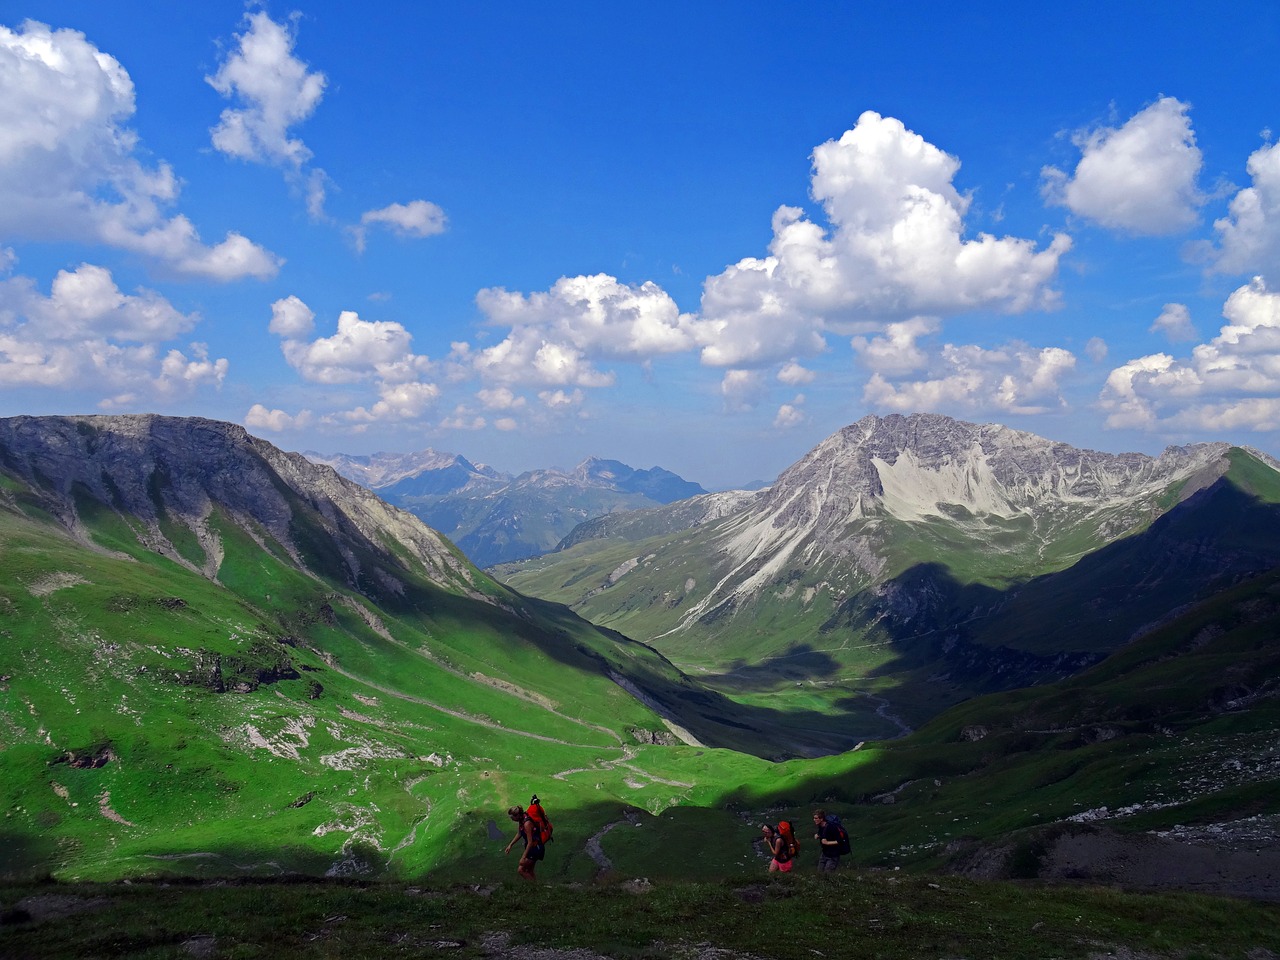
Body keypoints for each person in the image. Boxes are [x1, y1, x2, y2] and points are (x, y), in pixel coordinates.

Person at [504, 804, 544, 881]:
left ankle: (535, 887)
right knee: (529, 870)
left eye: (512, 817)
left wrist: (523, 857)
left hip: (535, 848)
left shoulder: (527, 824)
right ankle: (536, 888)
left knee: (521, 870)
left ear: (517, 815)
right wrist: (510, 845)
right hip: (533, 848)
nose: (512, 819)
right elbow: (520, 833)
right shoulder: (522, 819)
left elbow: (530, 842)